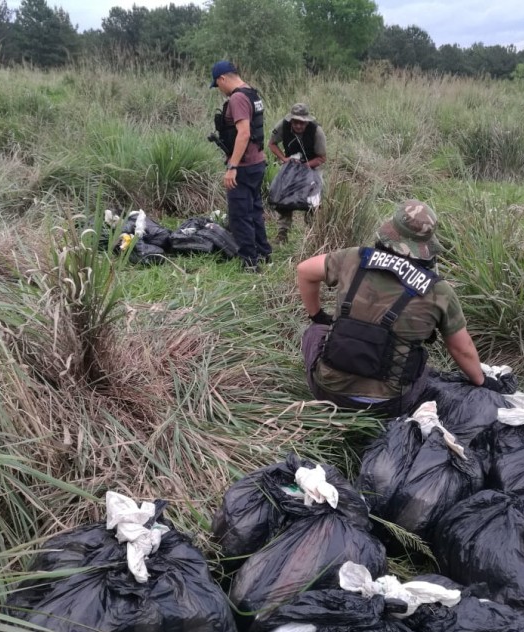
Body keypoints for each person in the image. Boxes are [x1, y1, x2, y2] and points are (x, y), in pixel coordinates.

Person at [296, 199, 503, 417]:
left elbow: (304, 271)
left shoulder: (353, 257)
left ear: (390, 231)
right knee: (419, 361)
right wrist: (481, 380)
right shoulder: (439, 291)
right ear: (426, 245)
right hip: (389, 405)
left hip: (327, 392)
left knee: (315, 331)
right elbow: (461, 349)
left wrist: (318, 315)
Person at [210, 60, 271, 272]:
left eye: (218, 85)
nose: (220, 91)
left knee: (239, 215)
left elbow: (244, 133)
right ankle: (264, 254)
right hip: (257, 162)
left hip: (243, 166)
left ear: (222, 78)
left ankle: (250, 263)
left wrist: (232, 167)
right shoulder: (252, 93)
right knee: (254, 210)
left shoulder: (237, 98)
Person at [268, 102, 327, 244]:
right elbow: (272, 143)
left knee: (313, 200)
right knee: (283, 197)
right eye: (296, 122)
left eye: (302, 123)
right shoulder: (283, 126)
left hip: (311, 166)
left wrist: (305, 166)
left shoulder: (316, 131)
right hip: (291, 165)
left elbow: (322, 158)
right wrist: (284, 159)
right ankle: (282, 233)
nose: (299, 126)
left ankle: (313, 235)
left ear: (307, 121)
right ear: (291, 120)